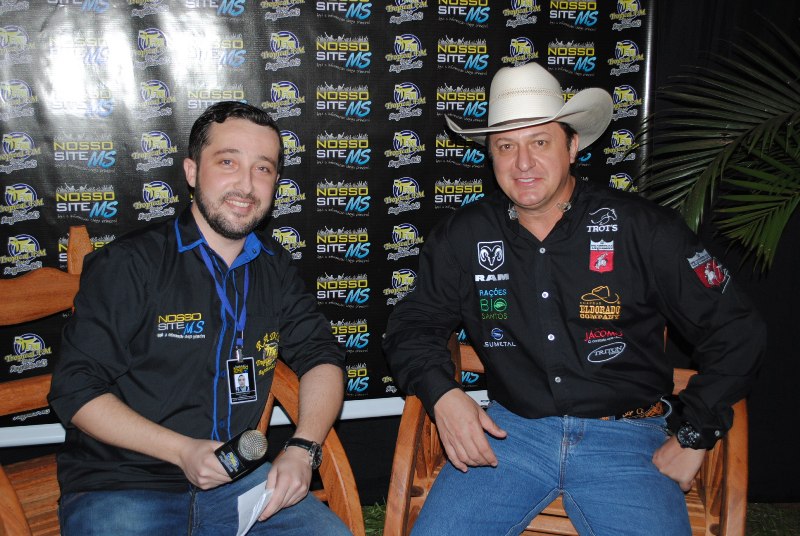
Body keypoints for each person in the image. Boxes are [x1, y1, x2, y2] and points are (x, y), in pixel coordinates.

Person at [382, 62, 765, 535]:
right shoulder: (464, 235)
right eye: (506, 146)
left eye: (540, 142)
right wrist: (444, 395)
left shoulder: (643, 228)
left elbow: (737, 328)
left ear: (572, 146)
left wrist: (694, 432)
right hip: (511, 434)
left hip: (628, 439)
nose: (523, 163)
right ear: (491, 156)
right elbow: (412, 325)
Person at [48, 101, 351, 536]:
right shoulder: (130, 263)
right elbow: (75, 390)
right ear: (192, 172)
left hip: (239, 483)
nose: (246, 184)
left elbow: (322, 357)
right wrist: (182, 451)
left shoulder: (275, 266)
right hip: (123, 484)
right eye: (228, 162)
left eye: (263, 168)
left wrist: (304, 449)